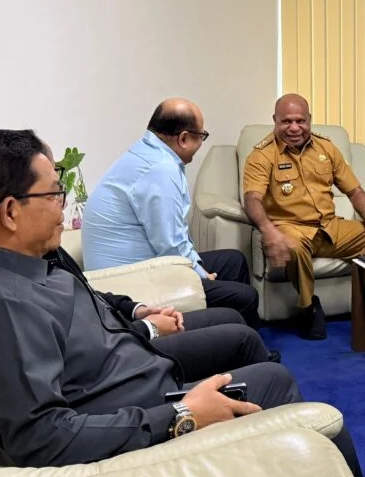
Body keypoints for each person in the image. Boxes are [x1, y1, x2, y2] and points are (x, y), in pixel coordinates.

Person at [0, 129, 365, 477]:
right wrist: (183, 415)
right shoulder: (4, 305)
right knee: (289, 394)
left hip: (128, 366)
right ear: (10, 212)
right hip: (133, 403)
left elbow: (86, 298)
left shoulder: (25, 258)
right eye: (54, 192)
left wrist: (137, 315)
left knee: (247, 347)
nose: (64, 204)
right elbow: (41, 438)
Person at [81, 99, 262, 334]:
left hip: (137, 265)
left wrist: (197, 266)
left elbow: (172, 238)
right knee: (246, 296)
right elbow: (169, 245)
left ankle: (239, 339)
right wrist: (201, 274)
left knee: (233, 260)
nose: (201, 143)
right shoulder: (160, 170)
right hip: (130, 279)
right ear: (184, 139)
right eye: (201, 136)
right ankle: (239, 345)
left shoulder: (146, 153)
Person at [243, 94, 365, 340]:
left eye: (300, 121)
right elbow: (252, 199)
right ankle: (309, 307)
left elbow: (355, 191)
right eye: (286, 121)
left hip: (330, 228)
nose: (294, 128)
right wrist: (269, 231)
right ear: (275, 121)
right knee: (292, 246)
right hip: (293, 228)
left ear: (309, 119)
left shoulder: (326, 148)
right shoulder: (262, 155)